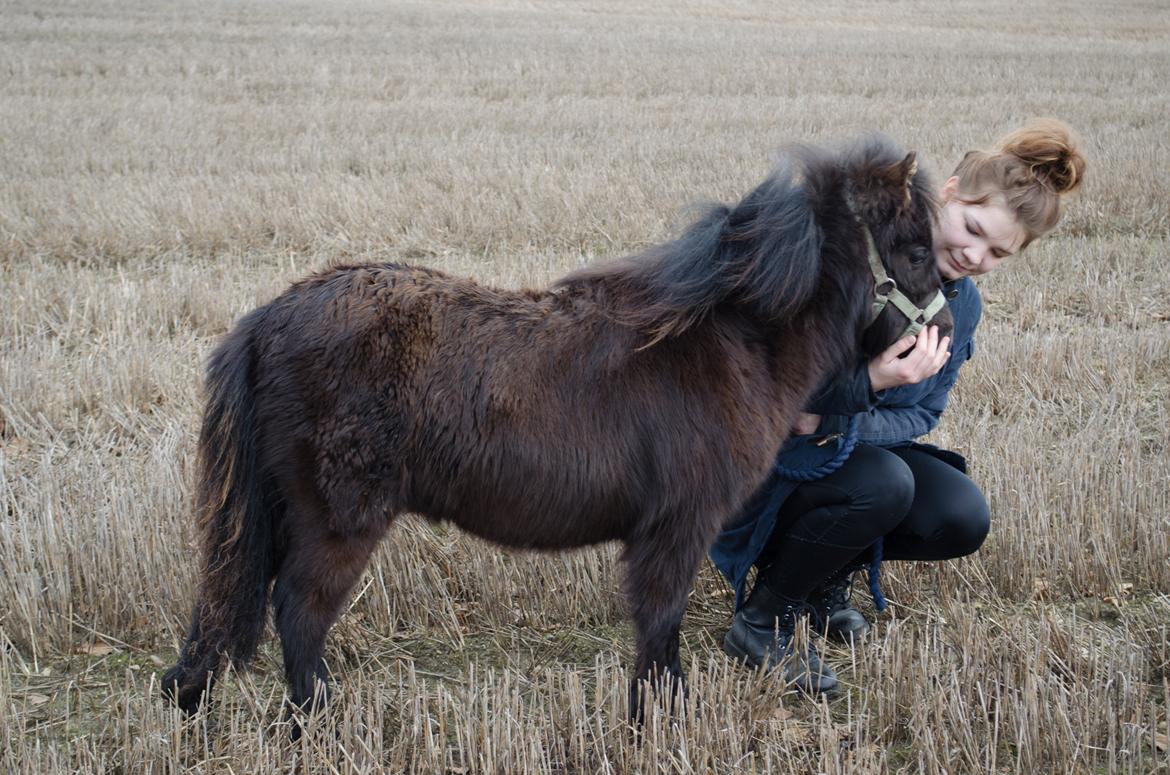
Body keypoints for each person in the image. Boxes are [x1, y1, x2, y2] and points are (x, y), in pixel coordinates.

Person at [709, 119, 1086, 693]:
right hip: (761, 461)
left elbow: (923, 414)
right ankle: (762, 622)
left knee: (960, 516)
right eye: (973, 228)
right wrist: (871, 380)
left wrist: (840, 420)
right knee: (885, 483)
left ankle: (819, 580)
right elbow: (772, 390)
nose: (975, 254)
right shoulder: (852, 259)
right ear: (949, 192)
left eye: (998, 253)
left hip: (843, 451)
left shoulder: (964, 307)